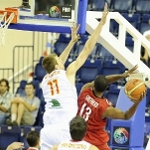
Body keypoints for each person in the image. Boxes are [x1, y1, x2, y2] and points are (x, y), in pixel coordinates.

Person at [40, 3, 108, 149]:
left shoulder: (45, 80)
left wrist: (71, 42)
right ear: (57, 65)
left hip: (47, 129)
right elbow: (87, 49)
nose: (61, 58)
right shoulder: (68, 72)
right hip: (65, 127)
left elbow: (57, 63)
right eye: (59, 59)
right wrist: (100, 25)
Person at [76, 65, 146, 150]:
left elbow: (103, 81)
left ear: (94, 85)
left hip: (79, 137)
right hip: (95, 141)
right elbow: (126, 116)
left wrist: (121, 76)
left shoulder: (85, 90)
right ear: (106, 88)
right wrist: (137, 102)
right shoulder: (104, 108)